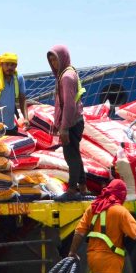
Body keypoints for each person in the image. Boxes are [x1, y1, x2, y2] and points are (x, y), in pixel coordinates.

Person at [47, 45, 87, 201]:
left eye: (55, 60)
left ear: (62, 58)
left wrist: (64, 128)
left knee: (71, 156)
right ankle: (83, 187)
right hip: (73, 121)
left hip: (71, 123)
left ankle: (72, 190)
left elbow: (69, 105)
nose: (54, 64)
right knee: (75, 153)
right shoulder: (68, 73)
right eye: (51, 61)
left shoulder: (66, 77)